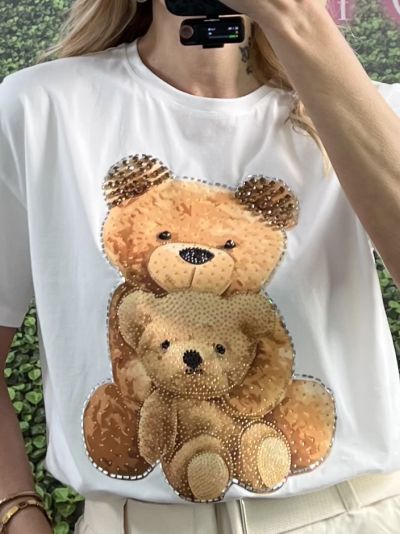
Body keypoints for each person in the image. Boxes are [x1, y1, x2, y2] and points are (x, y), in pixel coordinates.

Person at [1, 0, 400, 532]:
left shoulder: (371, 112)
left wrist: (298, 21)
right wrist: (16, 509)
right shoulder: (41, 110)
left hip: (353, 515)